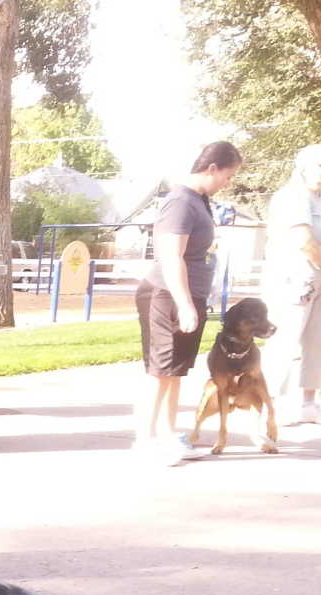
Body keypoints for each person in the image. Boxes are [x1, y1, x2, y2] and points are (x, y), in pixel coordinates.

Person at [133, 141, 242, 465]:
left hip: (189, 295)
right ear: (212, 168)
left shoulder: (199, 200)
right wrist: (183, 303)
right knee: (160, 371)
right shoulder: (180, 202)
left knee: (175, 371)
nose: (228, 182)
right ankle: (145, 441)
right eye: (228, 175)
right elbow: (171, 256)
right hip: (166, 295)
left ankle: (168, 435)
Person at [261, 143, 321, 428]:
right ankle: (269, 404)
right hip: (293, 278)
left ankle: (309, 404)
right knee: (286, 340)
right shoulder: (292, 196)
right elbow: (305, 243)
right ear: (303, 168)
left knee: (320, 341)